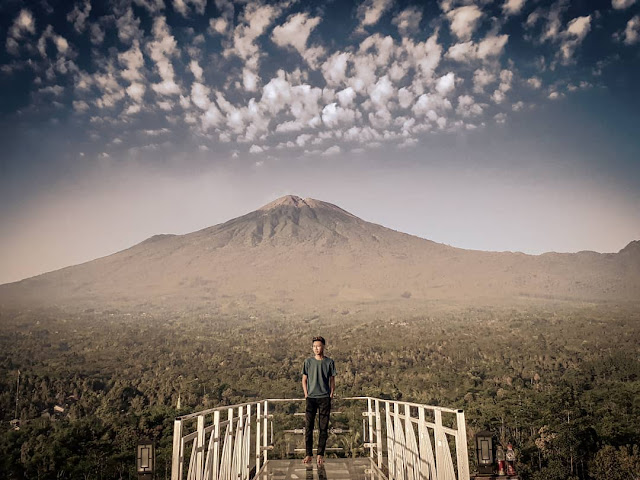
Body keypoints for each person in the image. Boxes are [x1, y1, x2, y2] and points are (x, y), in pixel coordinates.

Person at [301, 335, 336, 466]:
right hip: (311, 398)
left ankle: (320, 454)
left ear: (323, 347)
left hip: (324, 398)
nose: (316, 348)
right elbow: (304, 380)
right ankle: (308, 454)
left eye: (319, 346)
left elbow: (332, 380)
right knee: (309, 427)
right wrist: (306, 394)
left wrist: (331, 394)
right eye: (314, 346)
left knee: (323, 427)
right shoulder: (308, 362)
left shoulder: (329, 362)